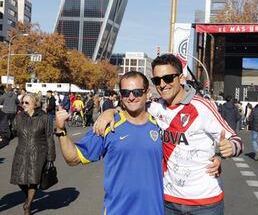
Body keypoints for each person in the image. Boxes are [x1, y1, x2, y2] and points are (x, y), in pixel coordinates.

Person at [94, 54, 243, 214]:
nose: (162, 85)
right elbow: (131, 106)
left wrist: (230, 148)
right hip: (168, 201)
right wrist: (110, 111)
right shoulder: (154, 107)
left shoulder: (203, 106)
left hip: (205, 203)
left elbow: (235, 140)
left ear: (181, 78)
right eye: (157, 80)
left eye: (168, 78)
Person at [55, 71, 164, 215]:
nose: (131, 97)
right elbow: (73, 158)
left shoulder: (160, 123)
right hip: (118, 211)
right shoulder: (108, 125)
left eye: (137, 92)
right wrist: (61, 130)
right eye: (126, 92)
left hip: (154, 211)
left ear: (147, 93)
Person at [10, 93, 55, 215]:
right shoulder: (19, 117)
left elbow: (49, 137)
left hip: (38, 153)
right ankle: (29, 196)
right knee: (20, 180)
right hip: (21, 151)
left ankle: (28, 205)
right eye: (22, 102)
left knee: (33, 179)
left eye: (26, 103)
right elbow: (12, 132)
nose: (23, 105)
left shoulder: (44, 117)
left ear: (35, 104)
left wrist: (51, 156)